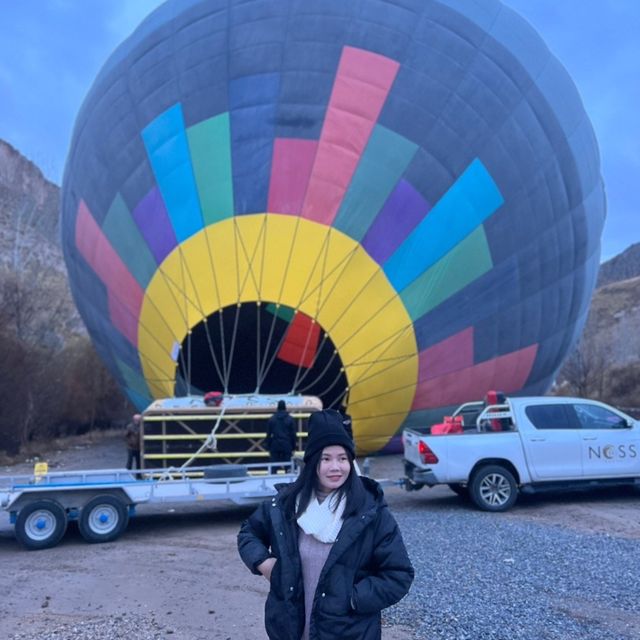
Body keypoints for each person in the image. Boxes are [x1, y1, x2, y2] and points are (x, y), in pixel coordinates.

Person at [238, 410, 414, 640]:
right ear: (312, 462)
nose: (336, 467)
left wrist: (353, 598)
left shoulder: (370, 512)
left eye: (342, 458)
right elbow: (249, 532)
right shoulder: (286, 505)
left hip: (348, 632)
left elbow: (398, 574)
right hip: (291, 631)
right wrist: (265, 563)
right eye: (326, 458)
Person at [265, 399, 296, 470]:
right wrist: (294, 447)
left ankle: (273, 480)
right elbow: (293, 435)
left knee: (274, 466)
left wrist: (268, 446)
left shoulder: (272, 419)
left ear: (277, 407)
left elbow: (268, 434)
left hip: (275, 444)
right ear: (285, 407)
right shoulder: (290, 419)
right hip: (287, 444)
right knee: (288, 467)